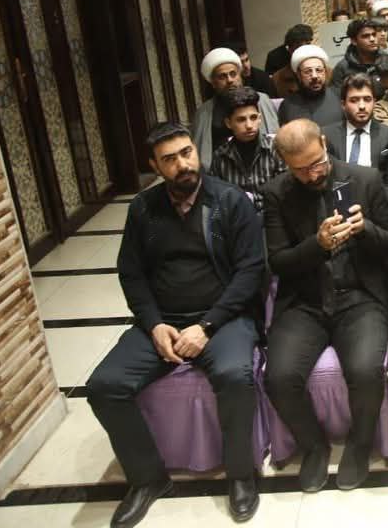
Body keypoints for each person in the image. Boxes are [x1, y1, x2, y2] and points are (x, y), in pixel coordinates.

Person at [87, 123, 264, 526]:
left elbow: (251, 271)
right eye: (169, 159)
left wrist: (207, 325)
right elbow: (131, 273)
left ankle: (241, 474)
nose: (183, 164)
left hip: (223, 318)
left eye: (187, 153)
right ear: (155, 166)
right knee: (104, 386)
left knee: (235, 376)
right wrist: (154, 325)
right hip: (163, 322)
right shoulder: (143, 208)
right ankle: (148, 479)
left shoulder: (230, 201)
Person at [263, 118, 388, 492]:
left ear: (324, 142)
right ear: (286, 164)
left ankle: (360, 444)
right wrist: (317, 246)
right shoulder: (276, 193)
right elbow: (278, 262)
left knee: (366, 371)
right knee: (279, 378)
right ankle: (314, 447)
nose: (313, 174)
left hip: (359, 297)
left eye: (317, 163)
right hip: (305, 302)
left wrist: (366, 230)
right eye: (301, 170)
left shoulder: (365, 179)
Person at [192, 47, 280, 171]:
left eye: (233, 74)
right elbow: (199, 154)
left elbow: (276, 138)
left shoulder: (262, 100)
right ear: (213, 82)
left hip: (264, 168)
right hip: (221, 171)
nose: (230, 80)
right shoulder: (204, 113)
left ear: (240, 75)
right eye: (222, 77)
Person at [209, 86, 285, 211]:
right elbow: (218, 199)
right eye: (241, 120)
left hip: (274, 214)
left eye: (253, 118)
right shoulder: (220, 157)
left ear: (260, 119)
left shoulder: (275, 148)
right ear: (228, 123)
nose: (249, 125)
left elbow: (285, 192)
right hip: (239, 218)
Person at [321, 74, 388, 179]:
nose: (362, 106)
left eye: (367, 99)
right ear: (343, 104)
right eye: (354, 100)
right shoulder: (327, 135)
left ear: (374, 102)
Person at [278, 45, 344, 127]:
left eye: (319, 70)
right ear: (298, 75)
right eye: (308, 71)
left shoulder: (339, 96)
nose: (314, 76)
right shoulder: (288, 105)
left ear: (325, 72)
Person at [331, 18, 385, 89]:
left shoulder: (387, 61)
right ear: (354, 41)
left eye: (374, 35)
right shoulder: (342, 68)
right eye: (366, 36)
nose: (372, 39)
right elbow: (336, 94)